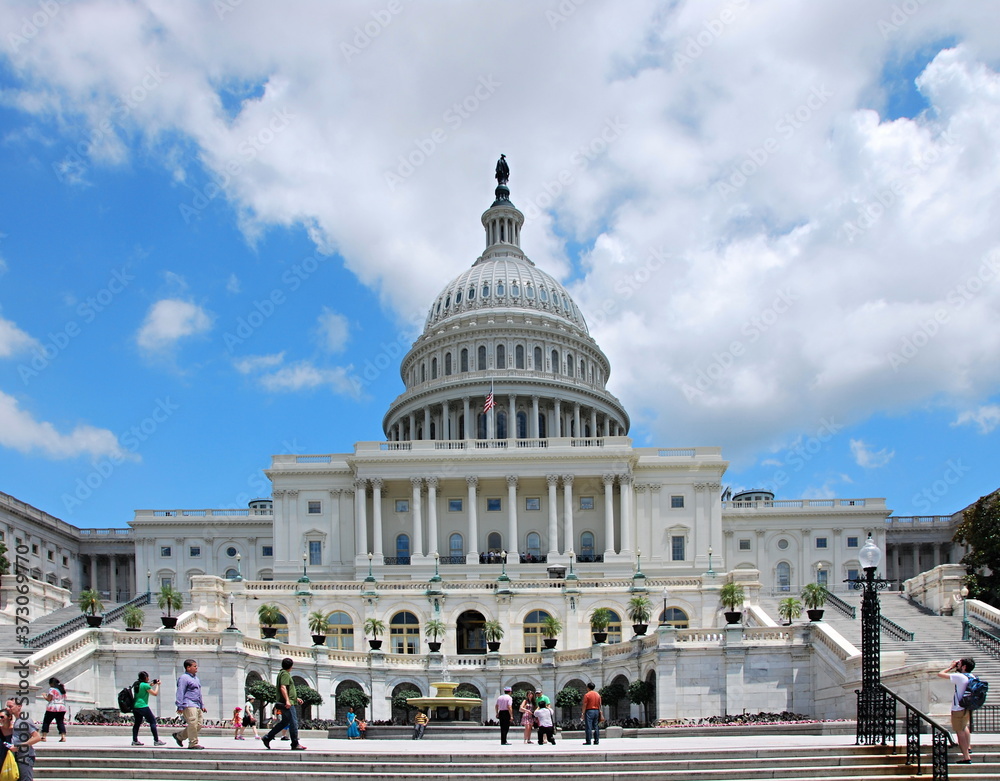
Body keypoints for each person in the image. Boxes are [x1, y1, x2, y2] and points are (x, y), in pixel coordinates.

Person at [937, 657, 976, 764]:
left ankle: (966, 757)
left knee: (960, 732)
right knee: (965, 727)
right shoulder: (971, 676)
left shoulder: (959, 677)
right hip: (966, 707)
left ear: (964, 667)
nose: (957, 665)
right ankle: (968, 747)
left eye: (959, 664)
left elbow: (940, 674)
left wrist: (951, 667)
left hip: (958, 708)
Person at [262, 657, 306, 750]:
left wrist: (295, 698)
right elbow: (283, 687)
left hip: (286, 701)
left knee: (284, 722)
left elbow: (287, 689)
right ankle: (295, 743)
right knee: (293, 722)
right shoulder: (285, 674)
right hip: (287, 704)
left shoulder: (282, 673)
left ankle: (268, 737)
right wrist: (287, 700)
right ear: (291, 666)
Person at [0, 698, 42, 781]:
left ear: (19, 706)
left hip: (25, 756)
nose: (8, 709)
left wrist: (19, 746)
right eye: (7, 706)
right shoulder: (17, 720)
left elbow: (37, 737)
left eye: (10, 706)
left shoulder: (25, 720)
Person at [173, 658, 206, 750]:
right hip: (188, 703)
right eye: (194, 666)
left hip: (197, 704)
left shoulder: (196, 679)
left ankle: (179, 736)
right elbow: (180, 691)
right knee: (193, 723)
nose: (196, 668)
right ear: (188, 667)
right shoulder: (184, 678)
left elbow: (199, 693)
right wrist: (180, 705)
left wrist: (202, 705)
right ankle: (193, 743)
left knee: (199, 724)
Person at [131, 672, 166, 746]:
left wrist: (153, 683)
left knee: (137, 723)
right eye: (148, 677)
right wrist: (157, 685)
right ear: (145, 678)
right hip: (143, 706)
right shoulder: (145, 685)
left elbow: (146, 687)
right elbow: (155, 693)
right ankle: (156, 740)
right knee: (152, 721)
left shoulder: (137, 684)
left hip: (135, 706)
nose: (149, 678)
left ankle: (134, 740)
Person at [40, 677, 68, 742]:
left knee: (46, 722)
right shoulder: (62, 690)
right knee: (60, 722)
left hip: (53, 707)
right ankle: (63, 737)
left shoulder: (52, 689)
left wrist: (44, 696)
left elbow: (49, 699)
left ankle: (44, 736)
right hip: (61, 707)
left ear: (52, 683)